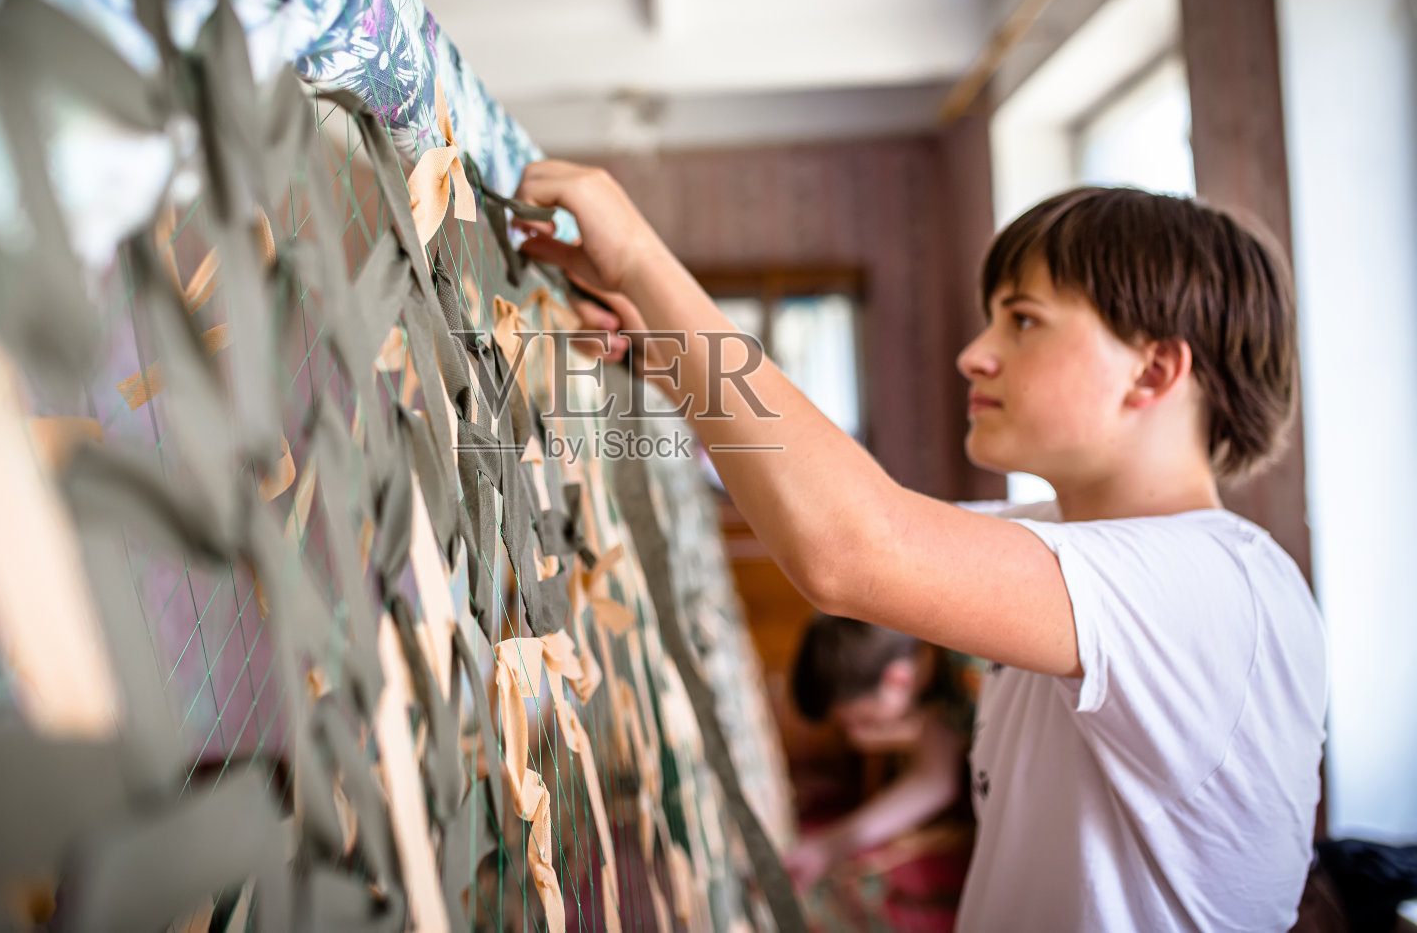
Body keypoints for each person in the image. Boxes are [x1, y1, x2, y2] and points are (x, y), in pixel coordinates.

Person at [510, 169, 1327, 932]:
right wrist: (676, 365)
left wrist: (646, 261)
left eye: (1025, 319)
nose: (976, 352)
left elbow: (855, 547)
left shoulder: (1211, 583)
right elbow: (832, 503)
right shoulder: (1073, 538)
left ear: (1152, 372)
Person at [783, 616, 974, 895]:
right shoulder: (931, 677)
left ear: (895, 679)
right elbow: (934, 780)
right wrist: (826, 848)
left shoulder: (971, 660)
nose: (858, 735)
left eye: (863, 719)